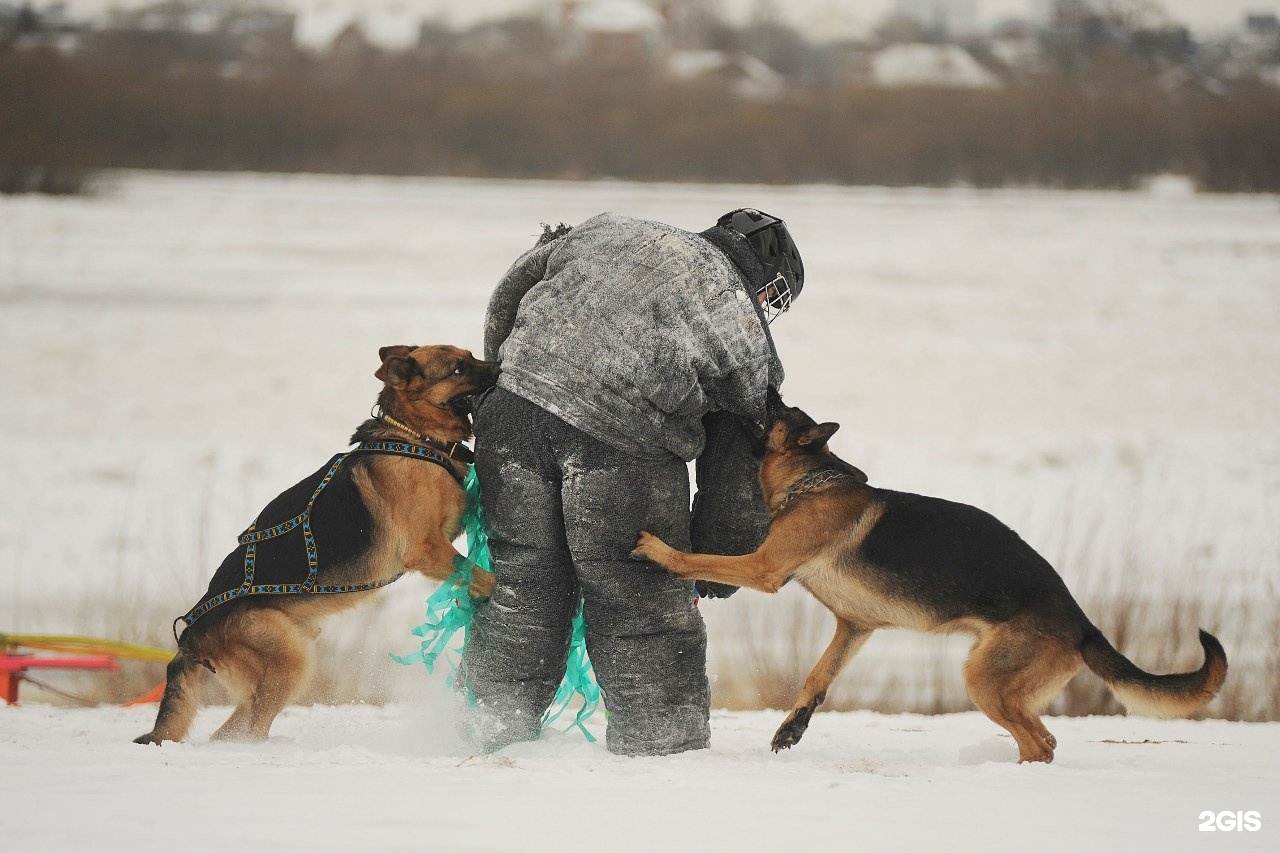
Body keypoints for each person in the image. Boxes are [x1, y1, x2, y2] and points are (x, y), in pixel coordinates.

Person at [461, 208, 805, 756]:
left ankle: (483, 733)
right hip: (620, 442)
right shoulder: (739, 320)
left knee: (524, 589)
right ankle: (661, 749)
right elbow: (740, 456)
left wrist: (500, 375)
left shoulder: (611, 229)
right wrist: (715, 564)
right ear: (771, 288)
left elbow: (512, 291)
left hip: (511, 418)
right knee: (641, 599)